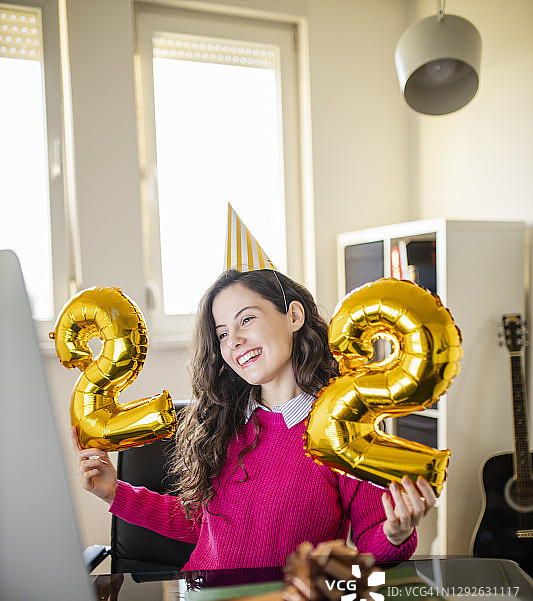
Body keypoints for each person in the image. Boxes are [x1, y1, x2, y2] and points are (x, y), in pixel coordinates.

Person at [72, 207, 436, 570]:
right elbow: (200, 524)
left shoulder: (345, 431)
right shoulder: (220, 423)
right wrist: (113, 491)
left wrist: (395, 533)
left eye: (247, 318)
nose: (235, 340)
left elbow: (372, 544)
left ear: (294, 316)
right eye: (223, 333)